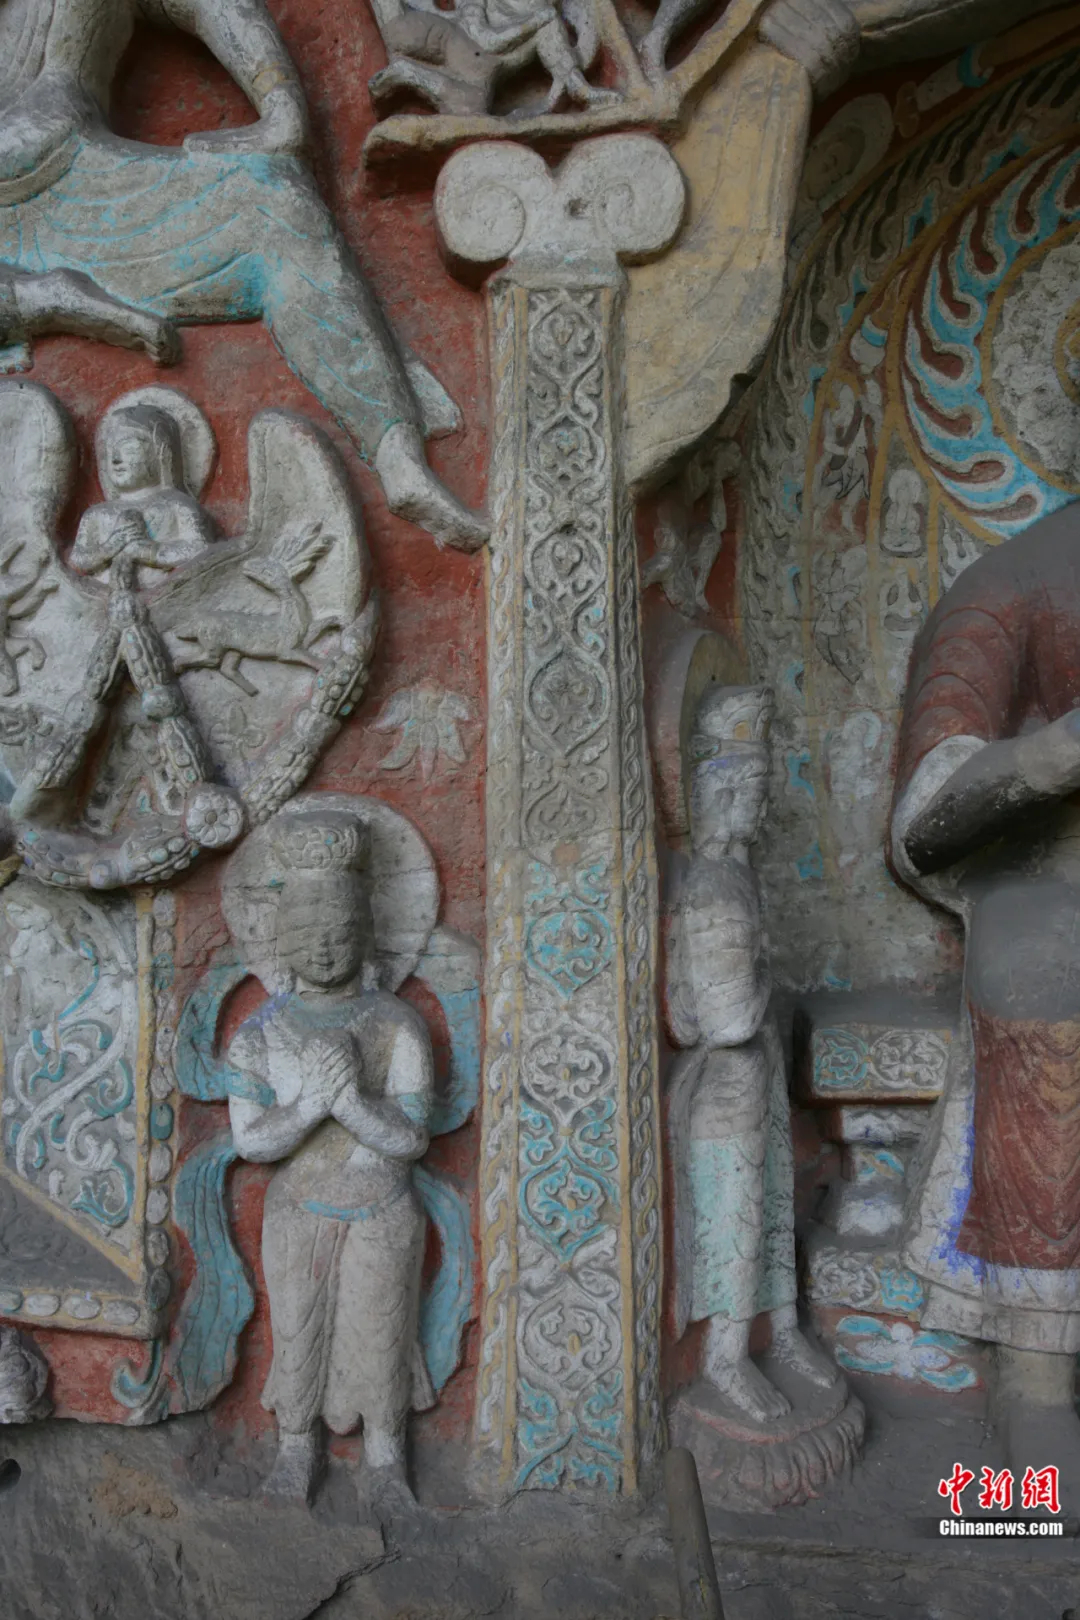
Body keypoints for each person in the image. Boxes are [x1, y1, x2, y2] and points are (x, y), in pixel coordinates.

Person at [0, 0, 485, 552]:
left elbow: (210, 7)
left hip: (91, 199)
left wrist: (280, 107)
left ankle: (400, 460)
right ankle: (57, 301)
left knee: (273, 200)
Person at [891, 501, 1080, 1499]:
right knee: (1050, 974)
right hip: (1057, 885)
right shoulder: (1018, 582)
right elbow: (924, 819)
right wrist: (1045, 759)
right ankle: (1038, 1369)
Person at [228, 808, 435, 1503]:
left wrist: (351, 1105)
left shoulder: (396, 1023)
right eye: (307, 933)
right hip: (298, 1209)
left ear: (366, 935)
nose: (323, 948)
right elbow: (251, 1141)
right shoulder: (261, 1033)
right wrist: (312, 1105)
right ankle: (295, 1451)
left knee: (381, 1335)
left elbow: (413, 1138)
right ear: (281, 939)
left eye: (340, 933)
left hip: (382, 1207)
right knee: (298, 1334)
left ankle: (386, 1459)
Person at [666, 685, 837, 1423]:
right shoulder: (710, 890)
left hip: (755, 1075)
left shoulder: (738, 876)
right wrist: (765, 977)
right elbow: (730, 1019)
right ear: (718, 792)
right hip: (725, 1083)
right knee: (735, 1219)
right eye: (753, 794)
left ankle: (783, 1329)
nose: (760, 812)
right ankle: (727, 1355)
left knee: (771, 1206)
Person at [69, 405, 217, 579]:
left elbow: (201, 548)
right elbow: (78, 558)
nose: (115, 459)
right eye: (109, 451)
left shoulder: (177, 506)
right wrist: (108, 548)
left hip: (169, 590)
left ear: (161, 452)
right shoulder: (97, 514)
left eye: (129, 449)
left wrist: (151, 552)